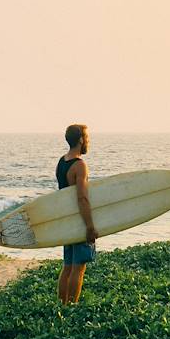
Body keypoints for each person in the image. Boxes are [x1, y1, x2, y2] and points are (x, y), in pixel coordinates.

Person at [57, 124, 98, 304]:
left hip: (66, 220)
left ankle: (61, 307)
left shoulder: (61, 162)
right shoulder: (80, 165)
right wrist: (90, 226)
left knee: (67, 266)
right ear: (80, 139)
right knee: (78, 268)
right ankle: (72, 307)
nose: (88, 140)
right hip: (78, 221)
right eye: (86, 136)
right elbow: (82, 198)